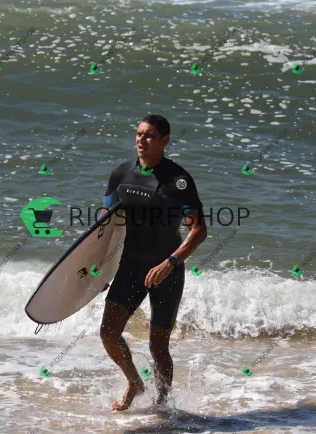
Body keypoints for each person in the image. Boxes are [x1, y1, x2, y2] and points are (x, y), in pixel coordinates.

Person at [99, 114, 207, 411]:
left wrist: (169, 263)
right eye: (139, 134)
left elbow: (199, 230)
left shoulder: (178, 180)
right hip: (130, 266)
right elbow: (106, 219)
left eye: (149, 135)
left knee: (158, 346)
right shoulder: (122, 173)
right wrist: (100, 268)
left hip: (166, 270)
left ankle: (162, 407)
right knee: (108, 333)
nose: (141, 140)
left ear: (165, 141)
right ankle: (134, 382)